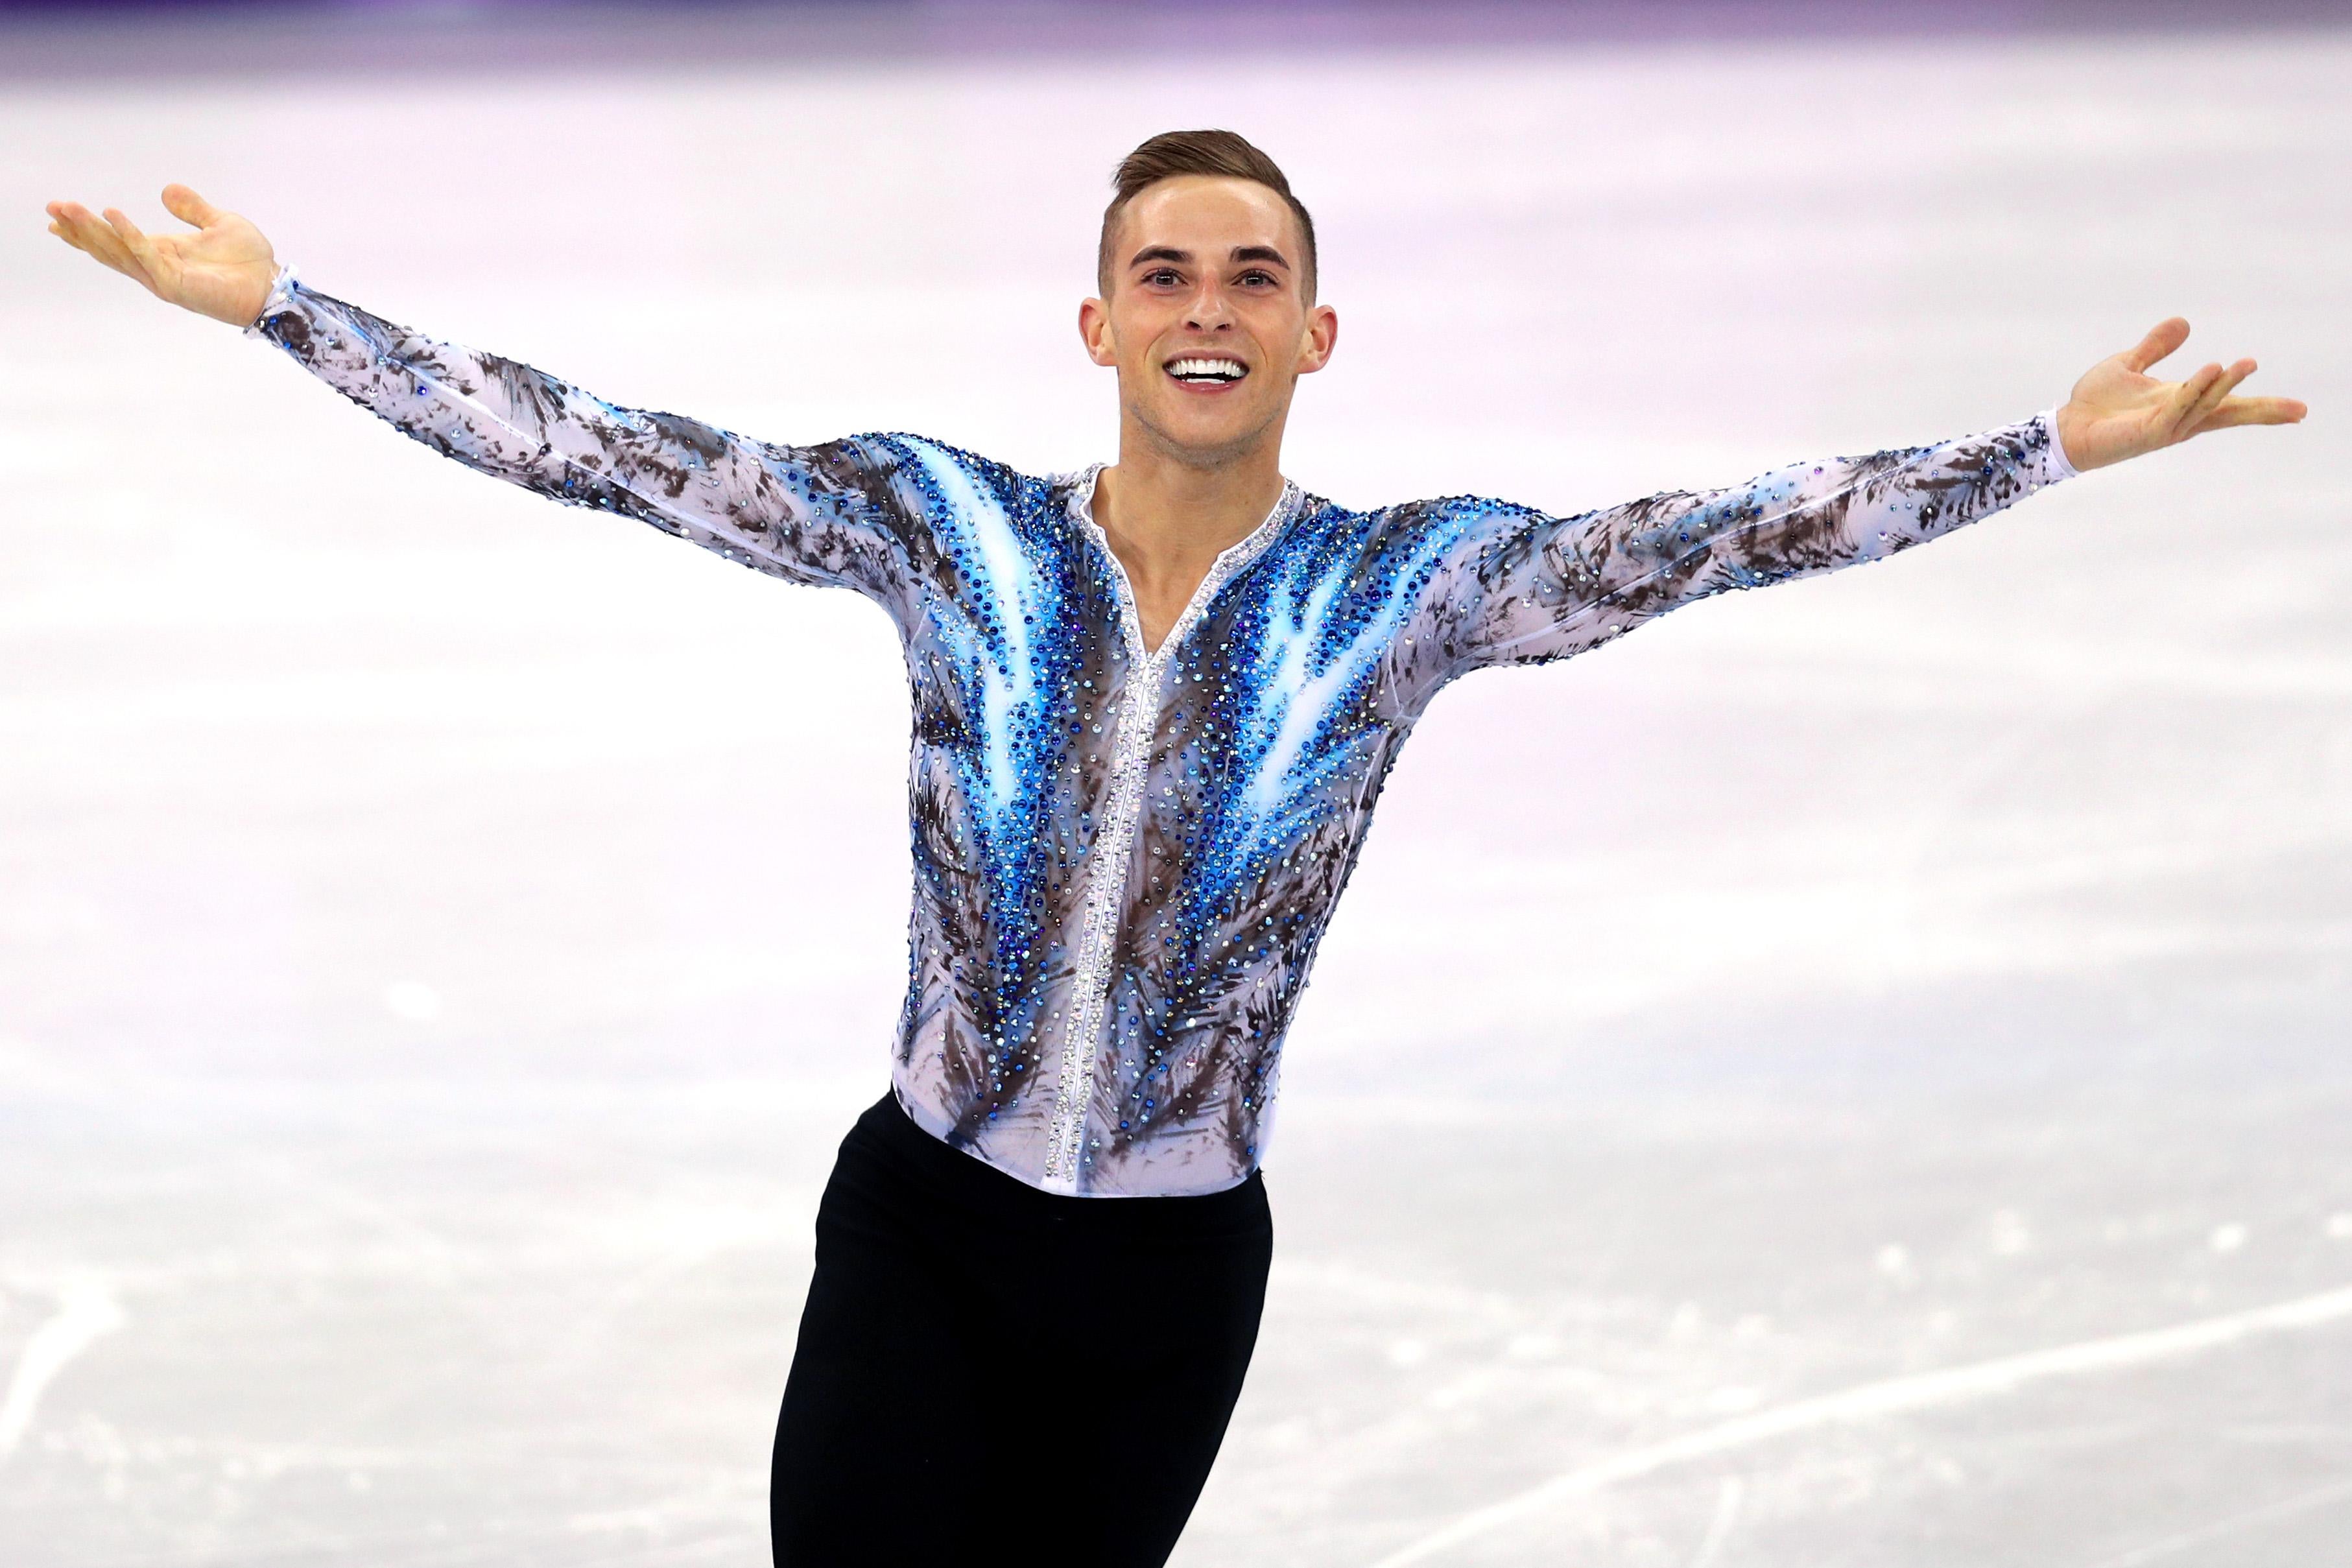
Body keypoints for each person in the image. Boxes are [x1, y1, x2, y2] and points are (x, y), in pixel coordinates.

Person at [46, 128, 2305, 1566]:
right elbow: (617, 453)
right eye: (1164, 271)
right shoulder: (941, 530)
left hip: (1162, 1278)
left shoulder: (1404, 589)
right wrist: (294, 311)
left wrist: (2036, 446)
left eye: (1247, 274)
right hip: (923, 1234)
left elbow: (1713, 538)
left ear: (1313, 331)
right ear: (1100, 320)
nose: (1204, 305)